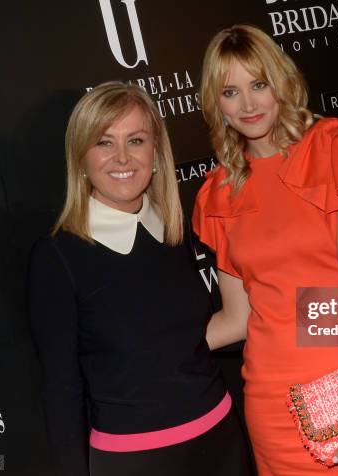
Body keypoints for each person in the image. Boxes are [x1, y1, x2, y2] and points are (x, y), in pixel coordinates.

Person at [193, 25, 338, 475]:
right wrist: (149, 350)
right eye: (231, 91)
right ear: (216, 104)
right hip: (272, 406)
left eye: (258, 84)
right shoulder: (219, 193)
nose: (247, 105)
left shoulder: (334, 148)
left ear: (281, 83)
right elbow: (237, 318)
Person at [28, 81, 252, 476]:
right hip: (135, 460)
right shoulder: (58, 257)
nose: (121, 157)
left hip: (221, 438)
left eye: (135, 140)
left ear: (155, 152)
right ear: (80, 157)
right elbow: (61, 391)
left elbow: (195, 338)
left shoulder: (173, 229)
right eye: (103, 142)